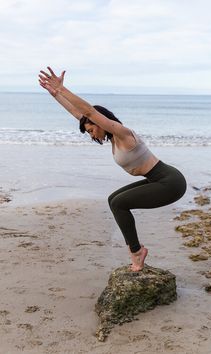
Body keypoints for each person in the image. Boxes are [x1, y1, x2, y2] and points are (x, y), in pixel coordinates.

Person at [38, 67, 187, 272]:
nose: (91, 134)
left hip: (170, 182)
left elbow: (89, 112)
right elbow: (80, 114)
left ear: (101, 122)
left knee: (119, 204)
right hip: (158, 179)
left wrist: (63, 89)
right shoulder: (114, 140)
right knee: (113, 200)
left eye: (91, 129)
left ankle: (136, 252)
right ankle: (136, 250)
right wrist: (56, 95)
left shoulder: (123, 134)